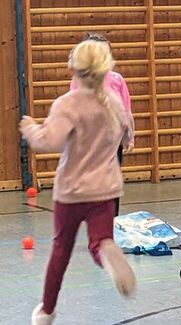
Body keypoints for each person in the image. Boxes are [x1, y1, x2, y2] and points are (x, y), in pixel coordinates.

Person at [22, 39, 136, 325]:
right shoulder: (113, 102)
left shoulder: (68, 104)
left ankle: (46, 312)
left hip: (72, 192)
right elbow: (125, 130)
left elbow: (50, 140)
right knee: (100, 242)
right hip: (105, 190)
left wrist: (30, 129)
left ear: (74, 67)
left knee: (61, 250)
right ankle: (107, 254)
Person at [69, 33, 135, 217]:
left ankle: (111, 222)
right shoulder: (79, 81)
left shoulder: (117, 79)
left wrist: (129, 136)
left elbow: (126, 109)